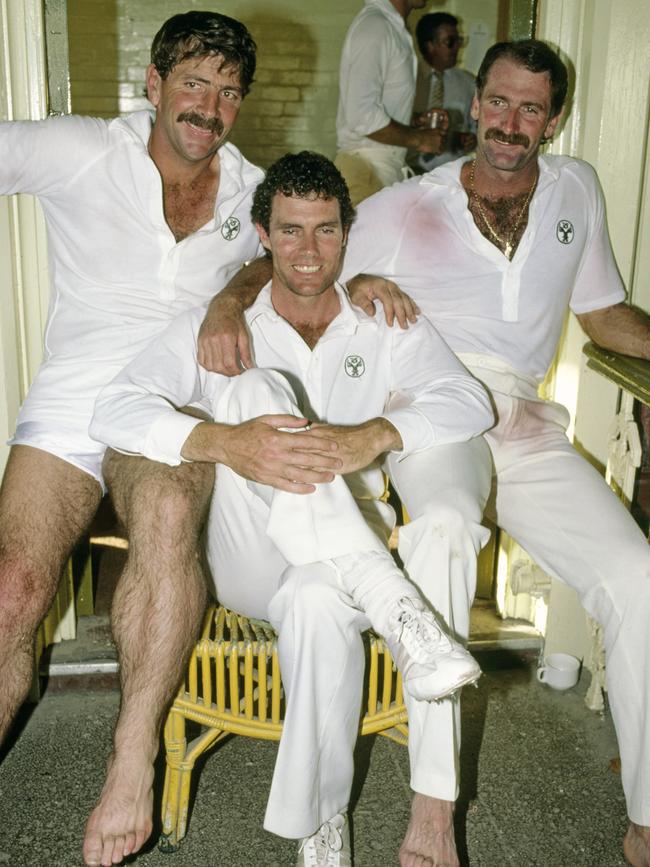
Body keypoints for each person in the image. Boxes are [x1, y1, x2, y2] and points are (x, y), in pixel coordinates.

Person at [202, 39, 650, 867]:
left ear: (554, 120)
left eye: (531, 108)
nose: (510, 123)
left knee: (637, 571)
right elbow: (292, 256)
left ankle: (646, 817)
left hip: (525, 420)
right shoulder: (411, 204)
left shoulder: (577, 190)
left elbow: (605, 311)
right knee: (442, 524)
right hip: (437, 415)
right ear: (475, 104)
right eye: (498, 102)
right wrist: (229, 306)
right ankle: (433, 813)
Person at [0, 12, 361, 867]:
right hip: (73, 400)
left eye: (228, 91)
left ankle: (132, 758)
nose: (209, 106)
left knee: (164, 517)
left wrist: (235, 294)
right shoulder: (82, 148)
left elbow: (310, 247)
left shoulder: (252, 188)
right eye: (193, 84)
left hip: (175, 403)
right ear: (153, 85)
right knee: (13, 587)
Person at [90, 150, 493, 866]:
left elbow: (468, 401)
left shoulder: (380, 319)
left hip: (332, 561)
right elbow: (113, 410)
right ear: (262, 234)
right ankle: (394, 601)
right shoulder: (220, 325)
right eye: (292, 230)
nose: (309, 250)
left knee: (314, 600)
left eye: (327, 230)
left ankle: (322, 825)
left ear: (349, 231)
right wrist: (221, 441)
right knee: (250, 392)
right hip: (250, 553)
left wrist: (376, 435)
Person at [334, 0, 446, 204]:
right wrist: (420, 139)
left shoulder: (391, 27)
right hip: (365, 171)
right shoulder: (376, 27)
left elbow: (373, 110)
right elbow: (362, 117)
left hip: (379, 170)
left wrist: (414, 121)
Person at [407, 12, 476, 173]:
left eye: (459, 41)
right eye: (450, 42)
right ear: (430, 45)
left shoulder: (468, 83)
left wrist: (471, 140)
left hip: (451, 174)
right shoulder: (407, 80)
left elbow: (477, 127)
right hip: (408, 172)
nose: (457, 47)